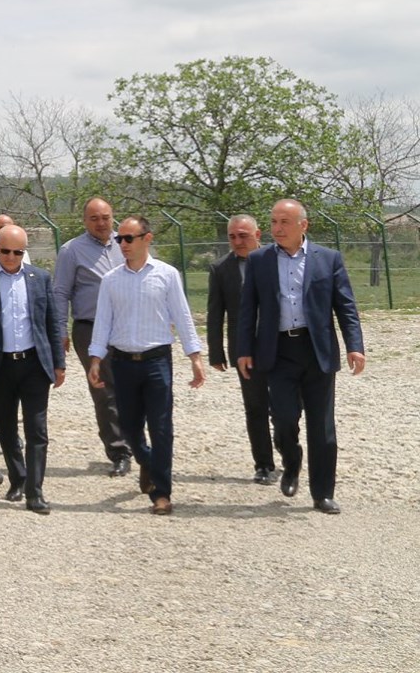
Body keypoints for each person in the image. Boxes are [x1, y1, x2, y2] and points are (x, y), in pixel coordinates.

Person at [234, 199, 366, 514]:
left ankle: (322, 493)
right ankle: (291, 461)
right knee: (283, 419)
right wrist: (244, 350)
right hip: (278, 352)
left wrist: (355, 345)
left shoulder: (328, 259)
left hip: (317, 350)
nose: (277, 228)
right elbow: (247, 309)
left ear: (303, 225)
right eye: (274, 222)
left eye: (284, 222)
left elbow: (345, 306)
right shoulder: (259, 260)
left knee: (322, 427)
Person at [87, 216, 205, 515]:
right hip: (123, 362)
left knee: (161, 427)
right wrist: (95, 359)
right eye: (120, 239)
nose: (123, 244)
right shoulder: (111, 280)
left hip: (157, 362)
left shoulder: (167, 275)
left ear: (147, 238)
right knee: (128, 427)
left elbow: (182, 315)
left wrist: (195, 357)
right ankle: (148, 462)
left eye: (129, 238)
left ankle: (161, 493)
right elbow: (103, 322)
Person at [0, 225, 64, 514]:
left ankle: (35, 491)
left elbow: (52, 323)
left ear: (24, 251)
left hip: (34, 364)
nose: (11, 257)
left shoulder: (40, 279)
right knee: (6, 428)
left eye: (17, 252)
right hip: (0, 365)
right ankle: (18, 478)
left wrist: (59, 363)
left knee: (37, 429)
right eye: (6, 251)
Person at [53, 197, 134, 476]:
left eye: (105, 217)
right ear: (84, 221)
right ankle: (119, 450)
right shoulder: (71, 251)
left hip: (127, 326)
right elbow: (60, 292)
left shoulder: (127, 244)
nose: (101, 223)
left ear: (113, 216)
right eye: (94, 218)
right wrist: (60, 330)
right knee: (104, 390)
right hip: (90, 328)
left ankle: (137, 440)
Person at [207, 214, 276, 484]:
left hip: (279, 345)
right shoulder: (221, 269)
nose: (237, 241)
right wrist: (216, 352)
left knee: (284, 407)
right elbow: (215, 314)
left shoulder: (276, 260)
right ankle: (264, 465)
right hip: (244, 349)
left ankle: (287, 449)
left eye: (243, 236)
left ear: (258, 235)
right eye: (232, 237)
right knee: (255, 406)